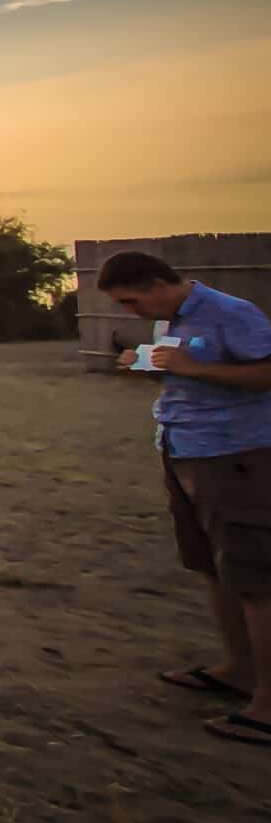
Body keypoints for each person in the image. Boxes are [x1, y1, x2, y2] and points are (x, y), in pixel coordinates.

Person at [102, 251, 271, 747]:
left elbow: (266, 372)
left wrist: (192, 367)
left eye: (131, 301)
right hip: (184, 448)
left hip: (234, 453)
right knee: (214, 567)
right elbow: (183, 371)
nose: (131, 311)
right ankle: (238, 670)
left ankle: (268, 703)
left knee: (257, 576)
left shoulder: (231, 312)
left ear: (158, 283)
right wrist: (147, 364)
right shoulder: (168, 319)